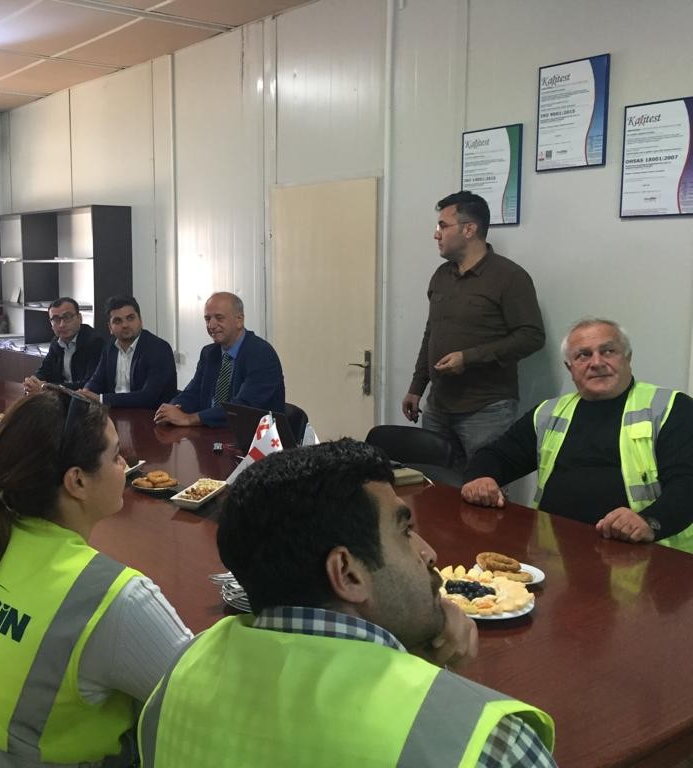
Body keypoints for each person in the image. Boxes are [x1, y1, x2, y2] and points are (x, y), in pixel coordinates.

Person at [139, 440, 556, 766]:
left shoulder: (180, 674)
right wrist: (439, 683)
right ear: (347, 573)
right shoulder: (484, 742)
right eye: (405, 532)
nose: (428, 553)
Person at [0, 386, 192, 767]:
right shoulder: (115, 598)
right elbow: (201, 702)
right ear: (76, 481)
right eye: (115, 456)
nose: (124, 466)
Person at [462, 318, 693, 551]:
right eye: (583, 355)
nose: (597, 362)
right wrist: (480, 477)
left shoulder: (671, 408)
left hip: (647, 554)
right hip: (555, 556)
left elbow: (687, 483)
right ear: (570, 368)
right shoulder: (549, 412)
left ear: (628, 357)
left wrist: (649, 521)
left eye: (608, 351)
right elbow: (498, 455)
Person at [402, 192, 544, 469]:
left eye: (443, 226)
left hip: (486, 409)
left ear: (469, 229)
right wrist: (416, 387)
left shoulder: (510, 277)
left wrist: (469, 358)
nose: (436, 234)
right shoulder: (441, 275)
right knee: (433, 484)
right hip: (438, 406)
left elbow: (532, 336)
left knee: (483, 484)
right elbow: (431, 334)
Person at [154, 292, 284, 428]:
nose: (211, 325)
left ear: (239, 320)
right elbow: (192, 393)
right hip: (211, 433)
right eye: (207, 318)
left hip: (254, 437)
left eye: (219, 318)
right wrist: (172, 410)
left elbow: (242, 408)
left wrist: (190, 419)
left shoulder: (261, 354)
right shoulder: (209, 353)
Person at [79, 295, 177, 408]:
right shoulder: (109, 347)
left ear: (140, 320)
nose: (125, 325)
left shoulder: (159, 349)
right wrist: (86, 392)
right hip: (114, 411)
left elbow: (149, 396)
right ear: (110, 327)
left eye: (130, 318)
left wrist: (100, 399)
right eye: (117, 321)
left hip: (150, 414)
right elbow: (97, 380)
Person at [23, 297, 105, 393]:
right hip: (60, 396)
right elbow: (44, 371)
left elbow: (88, 384)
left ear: (79, 318)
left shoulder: (95, 342)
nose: (62, 324)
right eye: (56, 319)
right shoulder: (56, 342)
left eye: (67, 317)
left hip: (83, 398)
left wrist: (46, 387)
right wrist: (33, 381)